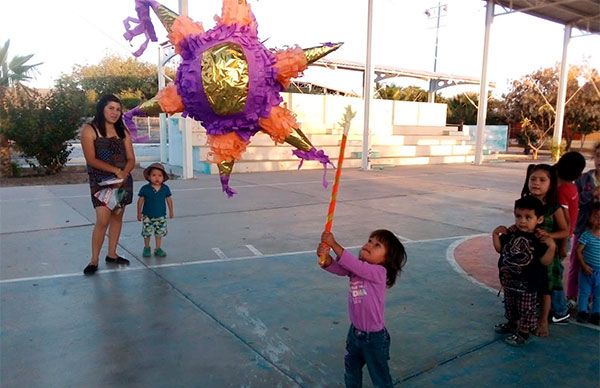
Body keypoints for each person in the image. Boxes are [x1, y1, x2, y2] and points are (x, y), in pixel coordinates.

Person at [317, 229, 407, 388]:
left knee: (380, 378)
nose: (369, 244)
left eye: (377, 245)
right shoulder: (357, 269)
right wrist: (325, 258)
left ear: (387, 259)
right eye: (370, 240)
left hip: (374, 339)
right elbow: (339, 268)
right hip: (354, 334)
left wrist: (333, 244)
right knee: (351, 371)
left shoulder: (379, 272)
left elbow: (354, 264)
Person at [81, 94, 135, 275]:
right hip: (101, 183)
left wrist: (123, 175)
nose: (115, 112)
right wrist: (115, 171)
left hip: (122, 182)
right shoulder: (90, 130)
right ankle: (94, 260)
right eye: (111, 108)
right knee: (102, 220)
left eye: (118, 109)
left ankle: (112, 254)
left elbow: (131, 159)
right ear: (102, 108)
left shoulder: (123, 131)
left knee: (117, 217)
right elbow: (91, 159)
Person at [492, 196, 556, 346]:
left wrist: (552, 247)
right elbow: (499, 249)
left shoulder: (538, 239)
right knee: (510, 305)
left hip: (528, 286)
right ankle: (512, 324)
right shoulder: (511, 234)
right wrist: (495, 235)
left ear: (539, 219)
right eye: (518, 216)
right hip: (509, 282)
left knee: (526, 309)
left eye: (528, 217)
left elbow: (545, 261)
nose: (522, 221)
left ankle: (523, 333)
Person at [520, 164, 568, 336]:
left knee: (545, 288)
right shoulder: (525, 203)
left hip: (546, 254)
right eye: (533, 179)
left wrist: (550, 235)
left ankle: (543, 321)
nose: (536, 183)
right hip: (528, 254)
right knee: (528, 284)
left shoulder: (554, 208)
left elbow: (565, 230)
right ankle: (525, 315)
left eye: (542, 180)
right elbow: (521, 222)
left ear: (551, 183)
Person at [567, 143, 600, 307]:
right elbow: (575, 200)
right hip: (583, 230)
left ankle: (594, 298)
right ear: (594, 158)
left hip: (599, 234)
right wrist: (591, 193)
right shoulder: (584, 179)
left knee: (597, 265)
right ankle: (572, 296)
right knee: (576, 262)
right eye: (599, 156)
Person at [137, 162, 174, 257]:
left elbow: (169, 200)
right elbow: (140, 201)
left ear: (163, 177)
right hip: (147, 216)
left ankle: (158, 248)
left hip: (161, 215)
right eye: (154, 175)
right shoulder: (145, 189)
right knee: (147, 233)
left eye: (160, 176)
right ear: (149, 177)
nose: (157, 178)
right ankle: (146, 247)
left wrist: (171, 211)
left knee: (159, 233)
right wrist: (139, 213)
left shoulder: (165, 189)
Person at [575, 203, 600, 326]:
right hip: (586, 270)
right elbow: (578, 251)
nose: (599, 220)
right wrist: (584, 266)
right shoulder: (587, 235)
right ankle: (582, 312)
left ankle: (596, 314)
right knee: (584, 292)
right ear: (590, 217)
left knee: (598, 295)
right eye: (596, 217)